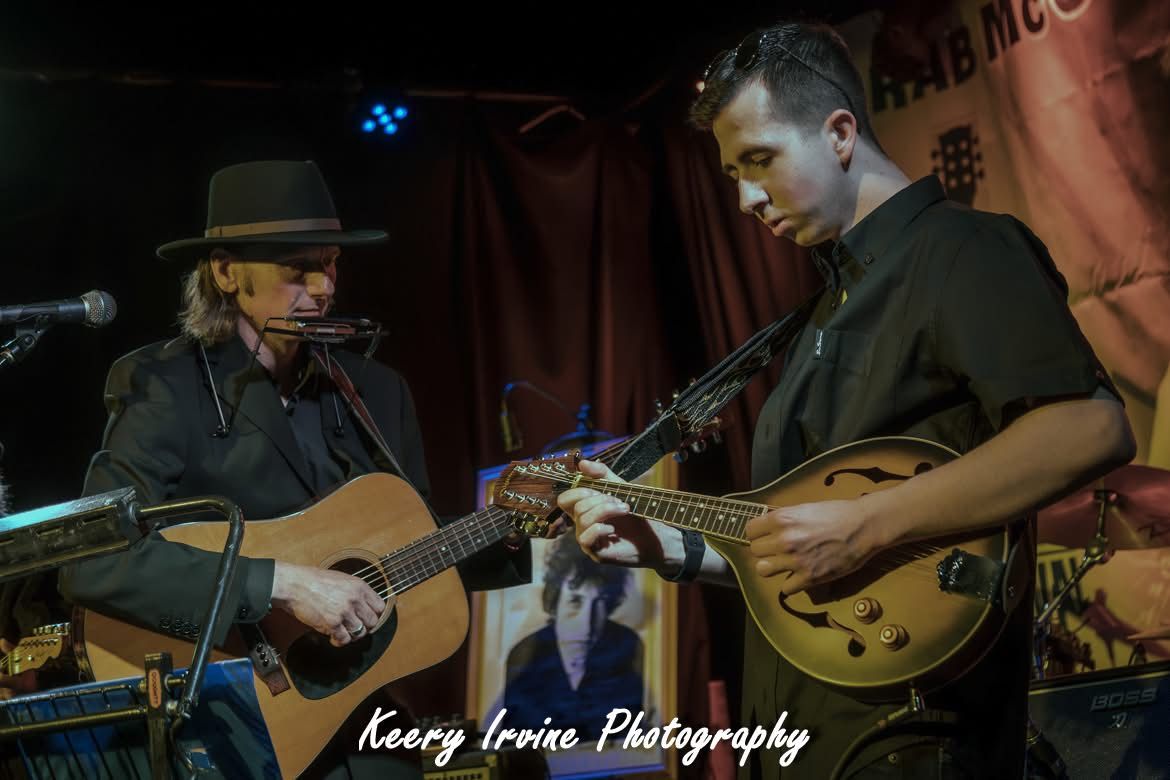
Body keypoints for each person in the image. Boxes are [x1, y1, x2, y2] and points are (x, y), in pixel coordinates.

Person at [555, 21, 1136, 780]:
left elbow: (1090, 426)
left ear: (838, 133)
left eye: (759, 160)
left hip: (914, 738)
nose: (745, 198)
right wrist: (669, 547)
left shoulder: (962, 251)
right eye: (732, 173)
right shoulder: (820, 312)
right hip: (803, 734)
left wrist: (866, 523)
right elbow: (811, 554)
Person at [58, 160, 531, 778]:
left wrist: (514, 527)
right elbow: (93, 561)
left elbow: (413, 552)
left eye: (330, 262)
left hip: (354, 710)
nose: (324, 286)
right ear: (227, 272)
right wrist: (280, 585)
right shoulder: (161, 385)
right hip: (226, 718)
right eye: (296, 268)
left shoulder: (377, 391)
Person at [501, 533, 643, 737]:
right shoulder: (523, 654)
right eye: (575, 602)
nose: (586, 625)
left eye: (600, 603)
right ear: (555, 601)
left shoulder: (627, 646)